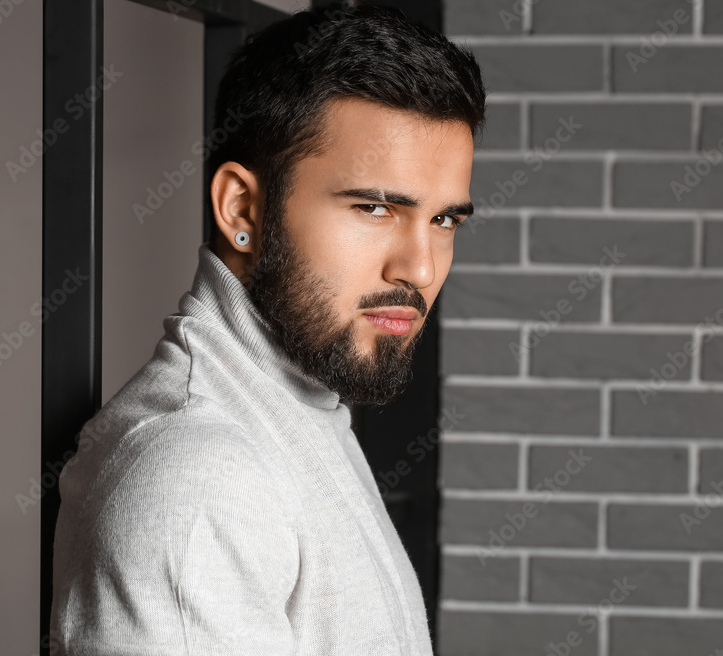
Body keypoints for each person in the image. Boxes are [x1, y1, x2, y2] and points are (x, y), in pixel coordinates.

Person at [49, 3, 485, 654]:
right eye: (374, 207)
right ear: (241, 209)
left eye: (446, 221)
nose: (419, 267)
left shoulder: (294, 406)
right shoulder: (197, 478)